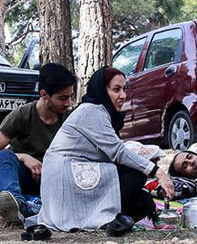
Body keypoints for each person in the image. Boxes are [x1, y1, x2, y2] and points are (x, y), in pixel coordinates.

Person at [37, 66, 175, 232]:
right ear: (102, 90)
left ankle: (117, 215)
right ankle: (95, 216)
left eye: (124, 89)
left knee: (142, 201)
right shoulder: (91, 110)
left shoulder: (103, 112)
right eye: (116, 90)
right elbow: (117, 152)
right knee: (135, 175)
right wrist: (157, 172)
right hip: (65, 178)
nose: (122, 96)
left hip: (76, 171)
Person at [0, 63, 76, 225]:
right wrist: (22, 157)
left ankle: (23, 205)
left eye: (70, 96)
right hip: (25, 179)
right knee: (5, 155)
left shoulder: (71, 119)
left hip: (57, 181)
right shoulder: (23, 115)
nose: (68, 103)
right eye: (63, 98)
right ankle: (13, 204)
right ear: (44, 94)